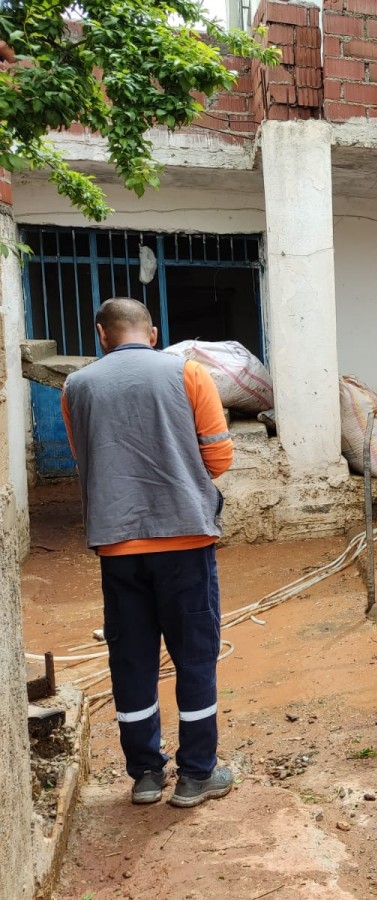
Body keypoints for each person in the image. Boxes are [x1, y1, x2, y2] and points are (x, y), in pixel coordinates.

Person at [62, 297, 235, 808]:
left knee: (132, 658)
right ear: (153, 333)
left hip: (117, 543)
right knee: (195, 657)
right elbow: (219, 456)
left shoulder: (77, 386)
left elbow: (83, 456)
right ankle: (197, 774)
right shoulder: (189, 374)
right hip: (185, 539)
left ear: (101, 334)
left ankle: (144, 775)